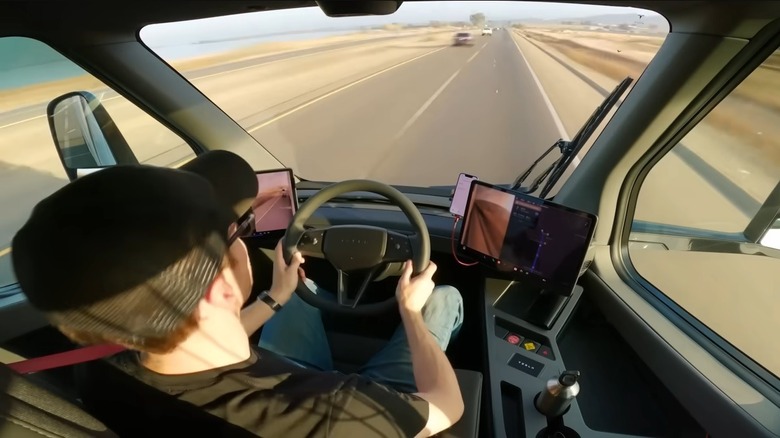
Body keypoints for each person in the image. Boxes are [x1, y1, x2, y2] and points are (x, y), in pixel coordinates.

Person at [11, 150, 465, 437]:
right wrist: (408, 311)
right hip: (377, 406)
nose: (245, 240)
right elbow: (448, 407)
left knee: (301, 286)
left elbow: (192, 337)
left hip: (275, 371)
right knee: (442, 300)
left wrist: (275, 298)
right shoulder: (329, 414)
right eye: (239, 231)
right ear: (220, 287)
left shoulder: (101, 372)